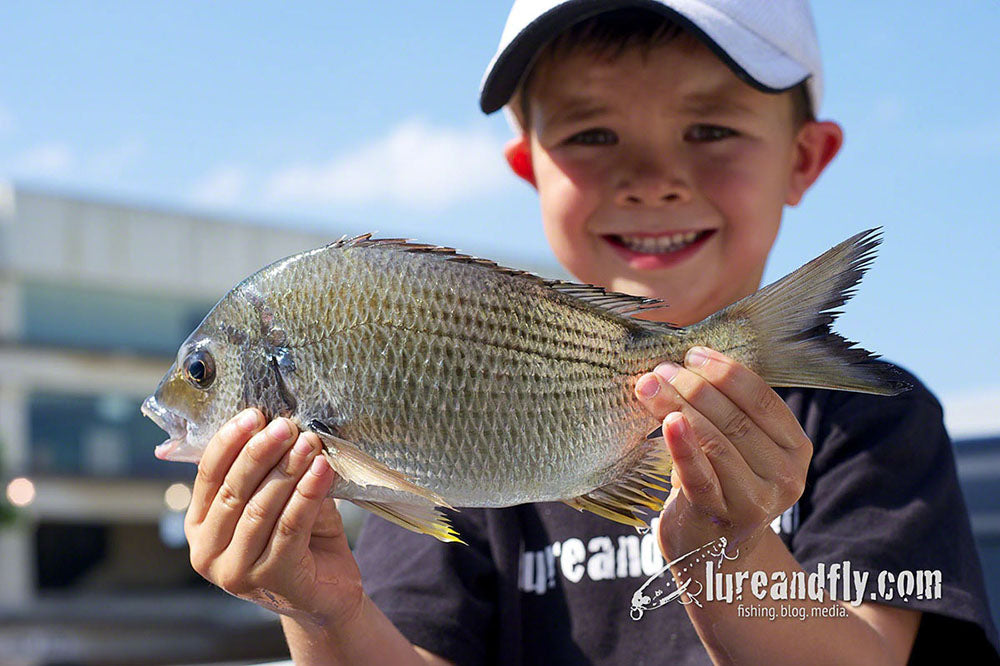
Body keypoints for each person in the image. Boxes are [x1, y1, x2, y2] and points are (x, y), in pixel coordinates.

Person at [181, 1, 1000, 663]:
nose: (650, 180)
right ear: (528, 166)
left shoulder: (874, 426)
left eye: (710, 130)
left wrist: (726, 553)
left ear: (805, 159)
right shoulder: (465, 419)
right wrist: (323, 615)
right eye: (591, 135)